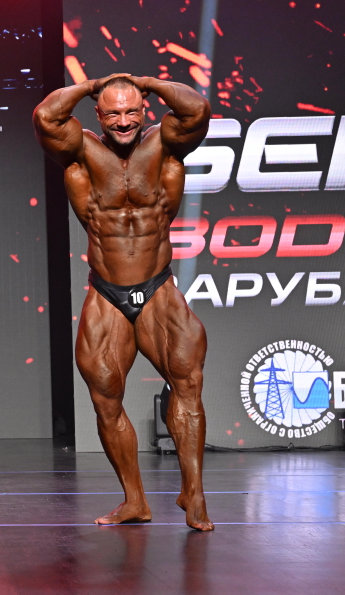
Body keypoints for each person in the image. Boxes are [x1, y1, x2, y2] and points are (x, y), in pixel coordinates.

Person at [33, 73, 213, 531]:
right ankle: (134, 500)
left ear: (145, 108)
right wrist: (89, 85)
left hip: (157, 289)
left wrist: (150, 81)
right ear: (97, 114)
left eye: (132, 110)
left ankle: (193, 493)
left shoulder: (165, 145)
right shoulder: (80, 151)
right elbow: (46, 116)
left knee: (187, 384)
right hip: (107, 293)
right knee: (106, 399)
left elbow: (197, 110)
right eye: (113, 113)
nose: (123, 120)